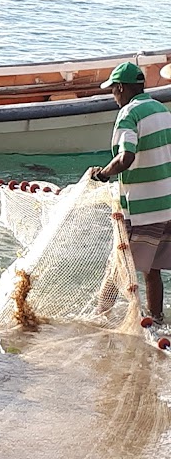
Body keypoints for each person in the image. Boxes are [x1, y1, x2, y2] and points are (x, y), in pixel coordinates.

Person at [92, 62, 171, 323]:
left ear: (122, 88)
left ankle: (99, 314)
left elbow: (126, 157)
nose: (113, 96)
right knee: (153, 268)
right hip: (167, 203)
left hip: (142, 207)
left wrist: (103, 174)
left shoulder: (128, 114)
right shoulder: (161, 109)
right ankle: (157, 319)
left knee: (119, 262)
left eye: (113, 90)